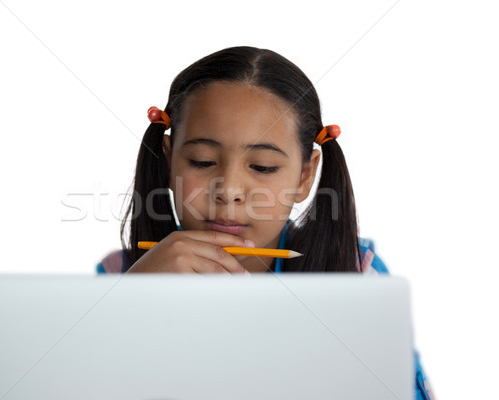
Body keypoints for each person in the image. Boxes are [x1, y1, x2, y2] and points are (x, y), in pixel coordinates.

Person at [96, 46, 435, 399]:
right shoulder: (121, 277)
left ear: (305, 176)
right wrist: (128, 308)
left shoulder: (358, 276)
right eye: (201, 161)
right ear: (167, 161)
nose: (228, 191)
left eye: (262, 168)